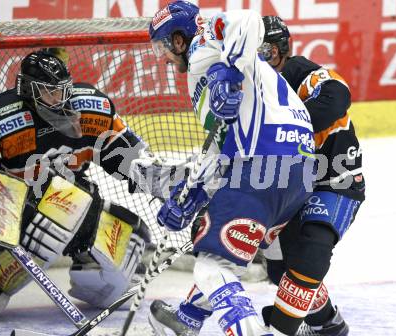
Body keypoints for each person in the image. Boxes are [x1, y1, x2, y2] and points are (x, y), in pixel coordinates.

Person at [148, 14, 365, 336]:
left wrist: (226, 73)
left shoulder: (217, 49)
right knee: (254, 261)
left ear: (177, 40)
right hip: (296, 173)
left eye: (161, 48)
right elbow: (223, 144)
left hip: (306, 173)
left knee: (226, 264)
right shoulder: (239, 74)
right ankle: (189, 316)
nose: (162, 58)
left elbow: (246, 20)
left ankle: (281, 327)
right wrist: (194, 191)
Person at [0, 48, 159, 321]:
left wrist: (163, 181)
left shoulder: (89, 108)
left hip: (73, 203)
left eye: (62, 90)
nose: (59, 98)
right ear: (28, 89)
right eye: (49, 91)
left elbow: (128, 156)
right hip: (16, 216)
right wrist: (0, 205)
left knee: (117, 277)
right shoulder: (2, 115)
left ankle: (89, 260)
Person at [258, 16, 365, 336]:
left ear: (281, 51)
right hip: (289, 184)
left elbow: (338, 94)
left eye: (266, 52)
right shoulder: (250, 87)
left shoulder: (301, 74)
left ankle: (281, 329)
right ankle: (327, 323)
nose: (260, 60)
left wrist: (293, 127)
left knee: (313, 247)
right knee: (281, 270)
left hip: (335, 179)